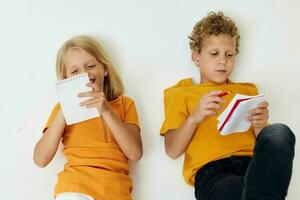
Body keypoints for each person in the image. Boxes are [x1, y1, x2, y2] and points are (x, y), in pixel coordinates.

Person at [160, 12, 295, 200]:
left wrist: (260, 126)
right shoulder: (181, 93)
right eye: (214, 54)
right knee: (237, 190)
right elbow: (172, 150)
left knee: (280, 132)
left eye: (229, 55)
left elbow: (264, 145)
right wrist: (194, 117)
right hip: (214, 173)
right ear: (196, 57)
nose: (223, 60)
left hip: (254, 167)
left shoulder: (248, 91)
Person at [33, 35, 143, 200]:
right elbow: (40, 159)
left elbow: (135, 153)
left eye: (91, 66)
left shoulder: (124, 105)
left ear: (105, 69)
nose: (84, 74)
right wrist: (66, 109)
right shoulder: (61, 110)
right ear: (66, 79)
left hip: (116, 193)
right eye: (75, 71)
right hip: (75, 188)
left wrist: (106, 110)